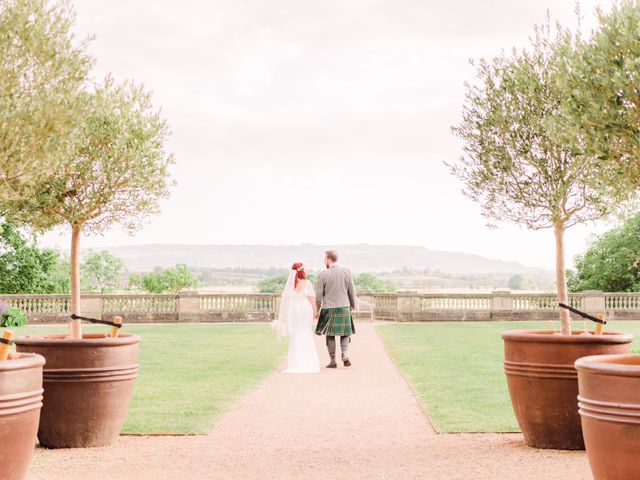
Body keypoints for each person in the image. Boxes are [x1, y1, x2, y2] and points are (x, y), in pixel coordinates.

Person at [271, 262, 320, 373]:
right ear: (303, 271)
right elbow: (312, 299)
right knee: (306, 332)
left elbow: (286, 302)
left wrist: (284, 316)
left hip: (294, 311)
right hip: (305, 309)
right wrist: (315, 312)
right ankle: (308, 361)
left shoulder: (290, 285)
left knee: (297, 334)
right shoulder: (307, 283)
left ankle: (297, 361)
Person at [315, 250, 356, 368]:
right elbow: (351, 291)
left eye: (324, 259)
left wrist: (316, 309)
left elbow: (318, 296)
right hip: (344, 307)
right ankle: (344, 354)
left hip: (329, 309)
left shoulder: (323, 274)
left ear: (328, 259)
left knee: (330, 335)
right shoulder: (346, 272)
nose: (323, 261)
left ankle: (333, 360)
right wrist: (352, 304)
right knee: (345, 333)